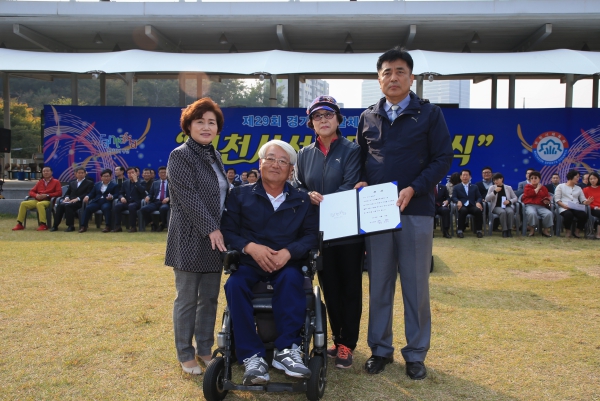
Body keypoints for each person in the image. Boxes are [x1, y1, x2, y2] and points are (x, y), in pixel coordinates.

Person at [354, 47, 453, 380]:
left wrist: (416, 188)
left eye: (399, 71)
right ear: (378, 79)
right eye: (386, 72)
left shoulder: (430, 114)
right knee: (379, 284)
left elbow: (443, 159)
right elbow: (361, 160)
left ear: (411, 77)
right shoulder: (368, 116)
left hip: (416, 210)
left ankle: (415, 353)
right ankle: (380, 350)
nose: (393, 77)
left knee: (415, 285)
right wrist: (361, 181)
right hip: (378, 214)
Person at [221, 140, 318, 385]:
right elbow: (228, 231)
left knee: (292, 280)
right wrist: (251, 248)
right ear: (260, 163)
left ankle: (287, 350)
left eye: (283, 161)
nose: (276, 165)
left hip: (287, 263)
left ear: (291, 170)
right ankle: (252, 356)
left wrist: (288, 252)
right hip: (249, 261)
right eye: (271, 159)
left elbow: (310, 235)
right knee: (234, 285)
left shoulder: (303, 200)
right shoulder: (240, 194)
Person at [293, 95, 363, 369]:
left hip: (346, 230)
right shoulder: (304, 154)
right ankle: (337, 338)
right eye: (317, 116)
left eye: (328, 115)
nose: (323, 120)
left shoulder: (352, 150)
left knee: (350, 287)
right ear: (311, 123)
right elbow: (297, 185)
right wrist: (306, 194)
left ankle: (348, 344)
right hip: (317, 232)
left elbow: (351, 184)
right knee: (329, 286)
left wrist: (328, 201)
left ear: (338, 120)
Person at [165, 98, 228, 376]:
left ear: (217, 128)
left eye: (211, 122)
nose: (206, 127)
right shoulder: (180, 155)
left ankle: (204, 347)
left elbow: (223, 196)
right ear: (188, 126)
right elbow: (188, 197)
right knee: (188, 298)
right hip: (190, 238)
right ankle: (185, 353)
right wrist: (211, 228)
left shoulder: (215, 156)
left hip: (216, 241)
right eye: (200, 121)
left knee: (210, 298)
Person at [12, 166, 62, 231]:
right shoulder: (40, 182)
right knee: (23, 203)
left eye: (47, 171)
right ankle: (20, 224)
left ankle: (43, 224)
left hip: (48, 201)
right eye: (44, 171)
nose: (45, 172)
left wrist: (47, 195)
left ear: (51, 172)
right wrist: (36, 195)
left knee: (40, 204)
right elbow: (31, 191)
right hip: (37, 200)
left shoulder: (56, 182)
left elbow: (59, 193)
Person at [51, 167, 93, 232]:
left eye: (82, 173)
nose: (80, 174)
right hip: (71, 201)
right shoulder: (72, 182)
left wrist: (78, 198)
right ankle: (55, 226)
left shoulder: (89, 183)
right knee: (60, 206)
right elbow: (68, 192)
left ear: (85, 174)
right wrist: (66, 198)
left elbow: (88, 193)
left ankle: (70, 226)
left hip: (80, 202)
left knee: (68, 206)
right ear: (75, 174)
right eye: (79, 173)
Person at [555, 169, 593, 238]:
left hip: (575, 207)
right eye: (577, 177)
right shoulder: (560, 186)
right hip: (564, 207)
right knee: (568, 214)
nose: (578, 179)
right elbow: (557, 199)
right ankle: (568, 231)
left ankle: (577, 231)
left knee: (583, 215)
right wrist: (564, 205)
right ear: (571, 177)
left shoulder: (578, 188)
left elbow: (582, 200)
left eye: (579, 177)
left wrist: (586, 202)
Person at [452, 169, 484, 238]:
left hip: (472, 205)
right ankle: (460, 231)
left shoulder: (474, 187)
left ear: (470, 177)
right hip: (462, 205)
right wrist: (458, 201)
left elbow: (479, 197)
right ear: (460, 177)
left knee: (478, 211)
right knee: (463, 211)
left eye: (467, 175)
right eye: (463, 175)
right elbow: (454, 197)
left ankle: (479, 231)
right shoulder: (456, 187)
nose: (465, 177)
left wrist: (478, 202)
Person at [113, 167, 147, 233]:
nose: (131, 174)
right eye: (129, 173)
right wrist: (122, 197)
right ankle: (118, 226)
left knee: (131, 206)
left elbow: (142, 191)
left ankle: (133, 227)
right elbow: (120, 193)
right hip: (127, 201)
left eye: (132, 172)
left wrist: (136, 181)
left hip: (138, 202)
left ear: (136, 173)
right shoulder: (125, 182)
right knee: (117, 206)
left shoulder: (142, 182)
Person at [485, 172, 517, 238]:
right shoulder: (492, 187)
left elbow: (515, 198)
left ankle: (509, 230)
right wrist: (494, 192)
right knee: (502, 212)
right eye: (494, 180)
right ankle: (504, 230)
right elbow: (487, 199)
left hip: (506, 206)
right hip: (496, 206)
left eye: (497, 179)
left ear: (501, 179)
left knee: (510, 212)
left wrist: (509, 201)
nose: (495, 181)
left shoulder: (508, 187)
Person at [522, 171, 553, 237]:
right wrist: (538, 188)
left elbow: (547, 196)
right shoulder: (527, 186)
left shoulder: (544, 188)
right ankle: (532, 230)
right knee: (532, 213)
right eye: (532, 178)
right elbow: (530, 194)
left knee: (548, 213)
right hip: (530, 205)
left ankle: (545, 231)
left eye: (535, 178)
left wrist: (547, 200)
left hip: (541, 206)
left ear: (539, 179)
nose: (533, 180)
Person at [141, 166, 170, 232]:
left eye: (164, 172)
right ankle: (152, 224)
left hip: (165, 202)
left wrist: (168, 198)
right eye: (161, 172)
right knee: (143, 209)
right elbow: (151, 193)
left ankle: (163, 224)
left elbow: (174, 194)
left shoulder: (171, 183)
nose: (163, 174)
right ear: (158, 174)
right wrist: (148, 197)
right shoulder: (155, 183)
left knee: (163, 209)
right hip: (156, 201)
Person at [583, 171, 600, 239]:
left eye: (594, 178)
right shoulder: (585, 189)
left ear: (598, 179)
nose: (593, 180)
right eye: (591, 179)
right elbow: (585, 202)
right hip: (592, 209)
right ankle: (598, 233)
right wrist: (596, 207)